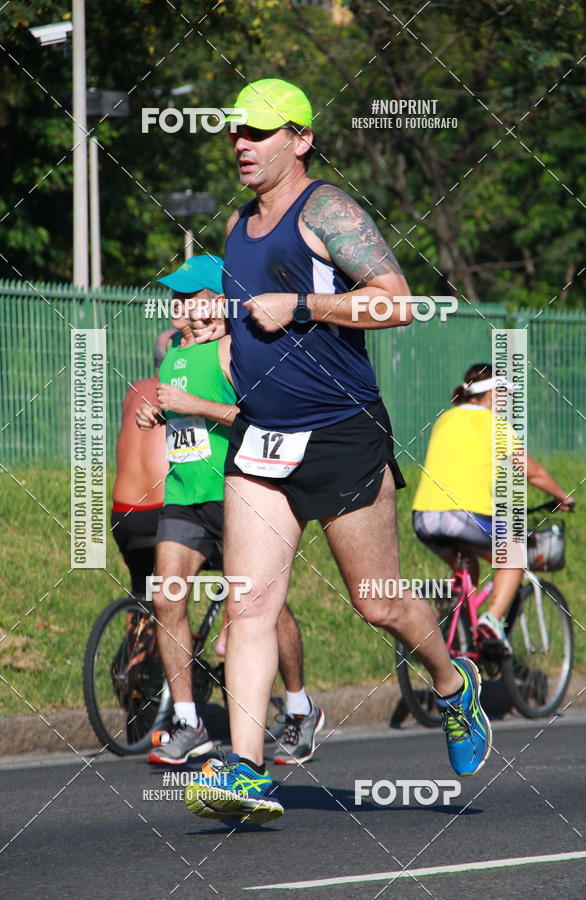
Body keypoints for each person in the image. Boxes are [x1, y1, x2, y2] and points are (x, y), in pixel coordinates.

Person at [185, 79, 491, 825]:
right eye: (236, 133)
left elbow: (397, 300)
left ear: (301, 138)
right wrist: (231, 345)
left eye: (258, 133)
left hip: (341, 433)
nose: (242, 145)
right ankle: (249, 771)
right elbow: (246, 311)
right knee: (250, 604)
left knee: (376, 601)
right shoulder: (235, 224)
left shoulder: (327, 210)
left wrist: (304, 306)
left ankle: (453, 688)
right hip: (262, 436)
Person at [136, 254, 322, 765]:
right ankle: (190, 721)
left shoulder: (234, 350)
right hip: (185, 497)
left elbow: (254, 416)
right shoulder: (172, 350)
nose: (176, 307)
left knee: (263, 608)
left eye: (186, 298)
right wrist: (157, 412)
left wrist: (192, 406)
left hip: (239, 495)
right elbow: (175, 407)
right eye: (175, 299)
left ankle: (301, 708)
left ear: (217, 300)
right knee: (168, 599)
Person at [412, 362, 575, 645]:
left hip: (424, 518)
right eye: (504, 395)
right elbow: (531, 471)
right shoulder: (494, 425)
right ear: (491, 393)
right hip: (463, 516)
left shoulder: (444, 420)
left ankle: (459, 632)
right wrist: (562, 496)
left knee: (469, 569)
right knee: (514, 554)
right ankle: (490, 623)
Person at [111, 330, 173, 596]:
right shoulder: (179, 392)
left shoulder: (134, 390)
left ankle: (137, 633)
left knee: (142, 594)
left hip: (124, 516)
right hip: (163, 513)